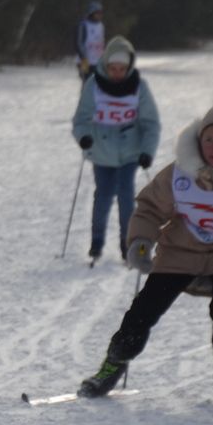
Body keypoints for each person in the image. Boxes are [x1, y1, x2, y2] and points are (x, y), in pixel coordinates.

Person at [78, 105, 213, 402]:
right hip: (179, 252)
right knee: (144, 309)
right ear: (199, 140)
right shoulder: (179, 174)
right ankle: (112, 365)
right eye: (209, 140)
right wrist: (140, 242)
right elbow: (149, 209)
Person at [71, 35, 160, 263]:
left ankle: (126, 243)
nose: (118, 73)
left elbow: (150, 123)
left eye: (122, 68)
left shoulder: (139, 87)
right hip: (101, 151)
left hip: (130, 152)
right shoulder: (94, 84)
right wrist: (84, 138)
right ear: (106, 65)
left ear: (129, 66)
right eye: (113, 68)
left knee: (126, 196)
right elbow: (81, 119)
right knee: (102, 196)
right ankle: (97, 242)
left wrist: (147, 152)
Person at [76, 1, 106, 81]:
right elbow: (79, 43)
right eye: (97, 13)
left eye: (101, 13)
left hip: (97, 61)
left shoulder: (101, 25)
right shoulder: (84, 25)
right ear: (91, 13)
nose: (100, 15)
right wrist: (84, 58)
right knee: (87, 83)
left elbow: (101, 42)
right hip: (85, 61)